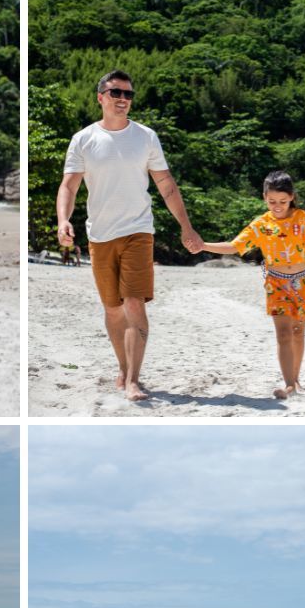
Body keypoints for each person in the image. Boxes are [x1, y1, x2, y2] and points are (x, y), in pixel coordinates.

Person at [57, 70, 205, 401]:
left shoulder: (146, 137)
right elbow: (69, 185)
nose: (123, 99)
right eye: (116, 93)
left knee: (134, 303)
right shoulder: (83, 139)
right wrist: (63, 220)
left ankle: (134, 380)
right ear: (100, 97)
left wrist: (186, 226)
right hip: (100, 236)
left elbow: (166, 184)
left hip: (139, 231)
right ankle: (123, 369)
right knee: (113, 309)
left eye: (128, 94)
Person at [198, 170, 305, 399]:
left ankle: (297, 378)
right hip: (277, 284)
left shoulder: (302, 218)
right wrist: (203, 245)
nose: (277, 206)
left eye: (282, 201)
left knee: (298, 332)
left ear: (291, 196)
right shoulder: (261, 224)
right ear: (264, 198)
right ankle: (289, 384)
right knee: (283, 334)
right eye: (272, 201)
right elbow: (235, 246)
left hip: (302, 282)